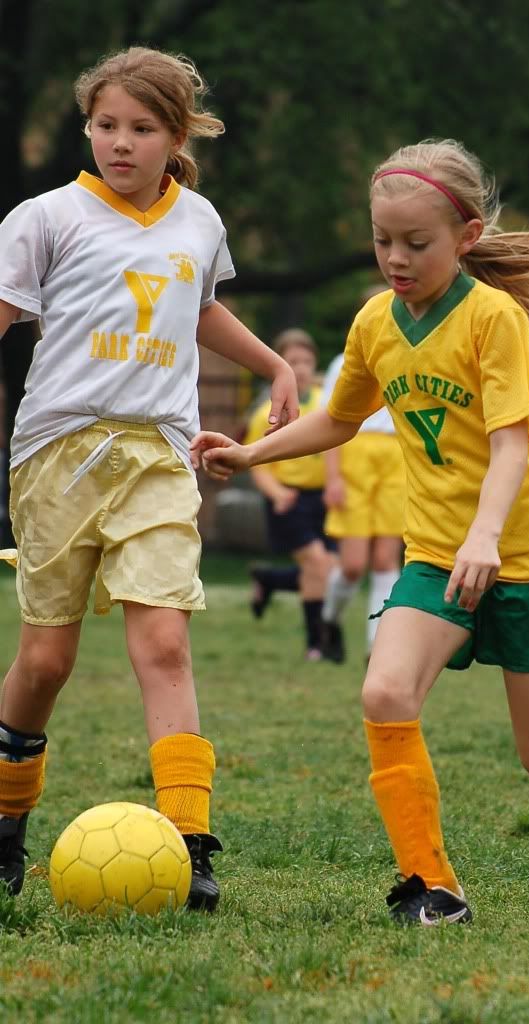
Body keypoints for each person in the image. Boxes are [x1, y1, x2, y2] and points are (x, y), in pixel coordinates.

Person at [190, 138, 529, 924]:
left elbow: (512, 442)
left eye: (415, 243)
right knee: (383, 691)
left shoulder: (492, 319)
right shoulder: (375, 323)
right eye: (382, 241)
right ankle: (433, 887)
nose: (394, 257)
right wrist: (251, 451)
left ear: (466, 238)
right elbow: (339, 418)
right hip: (433, 556)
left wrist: (485, 537)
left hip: (522, 558)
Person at [0, 46, 299, 911]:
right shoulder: (43, 218)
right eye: (105, 126)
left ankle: (192, 843)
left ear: (177, 134)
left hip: (162, 455)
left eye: (141, 129)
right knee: (46, 661)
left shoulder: (199, 220)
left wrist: (275, 363)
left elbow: (197, 306)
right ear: (86, 127)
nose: (120, 144)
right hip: (57, 455)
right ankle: (8, 821)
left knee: (163, 644)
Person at [320, 288, 405, 664]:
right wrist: (333, 477)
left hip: (397, 458)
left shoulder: (411, 355)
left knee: (387, 559)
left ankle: (377, 647)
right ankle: (330, 619)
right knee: (353, 564)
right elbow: (331, 422)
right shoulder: (344, 362)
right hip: (356, 454)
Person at [243, 328, 335, 661]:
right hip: (290, 500)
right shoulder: (267, 412)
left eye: (307, 360)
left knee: (327, 571)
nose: (301, 368)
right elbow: (257, 463)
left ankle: (268, 579)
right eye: (292, 361)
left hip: (324, 498)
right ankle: (316, 645)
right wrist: (277, 493)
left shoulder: (329, 403)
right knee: (318, 565)